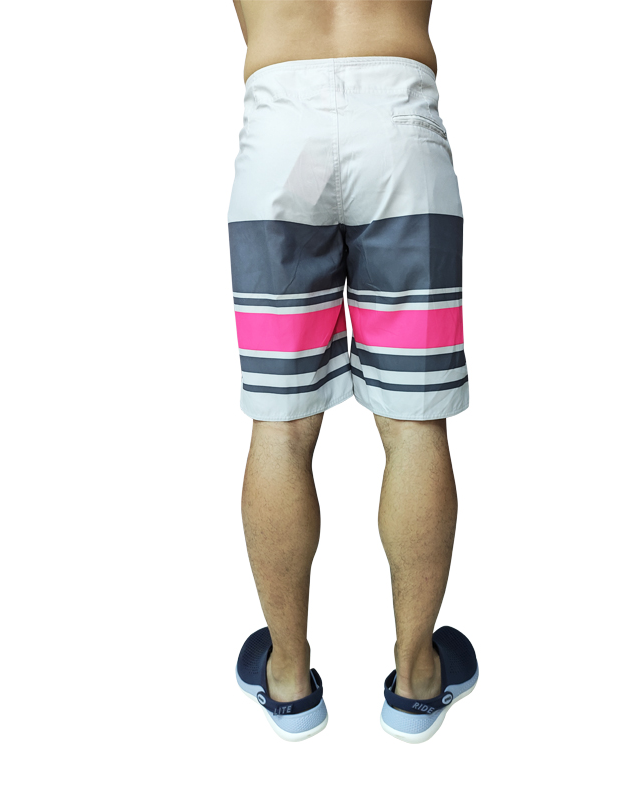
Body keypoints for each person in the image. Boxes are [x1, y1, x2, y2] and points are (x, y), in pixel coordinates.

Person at [229, 0, 478, 744]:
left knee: (280, 423)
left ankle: (288, 677)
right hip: (399, 123)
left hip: (280, 129)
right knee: (414, 420)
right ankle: (418, 678)